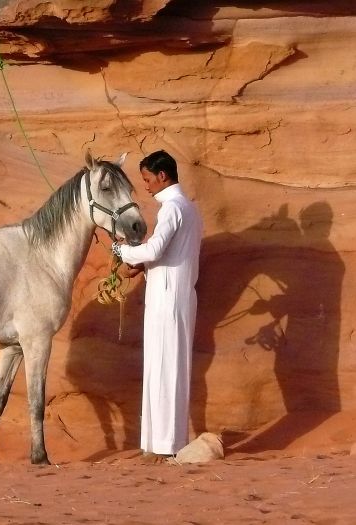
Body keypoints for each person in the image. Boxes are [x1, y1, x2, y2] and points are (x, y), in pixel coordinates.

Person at [112, 150, 202, 464]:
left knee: (166, 367)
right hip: (173, 296)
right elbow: (164, 254)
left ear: (162, 176)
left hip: (168, 299)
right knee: (164, 366)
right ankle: (159, 442)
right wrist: (143, 264)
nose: (147, 186)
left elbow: (155, 248)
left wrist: (122, 251)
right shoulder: (187, 209)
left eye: (148, 179)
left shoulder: (173, 208)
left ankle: (166, 444)